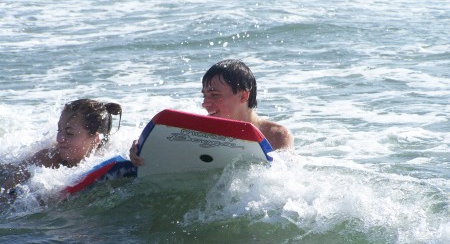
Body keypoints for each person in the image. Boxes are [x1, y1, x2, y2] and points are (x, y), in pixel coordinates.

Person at [129, 59, 294, 166]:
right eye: (204, 96)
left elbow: (284, 182)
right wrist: (142, 147)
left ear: (243, 95)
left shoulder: (276, 136)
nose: (205, 104)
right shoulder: (200, 132)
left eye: (214, 95)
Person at [1, 99, 122, 193]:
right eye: (59, 130)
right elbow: (5, 193)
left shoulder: (108, 157)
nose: (59, 139)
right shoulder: (47, 158)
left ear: (96, 139)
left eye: (69, 133)